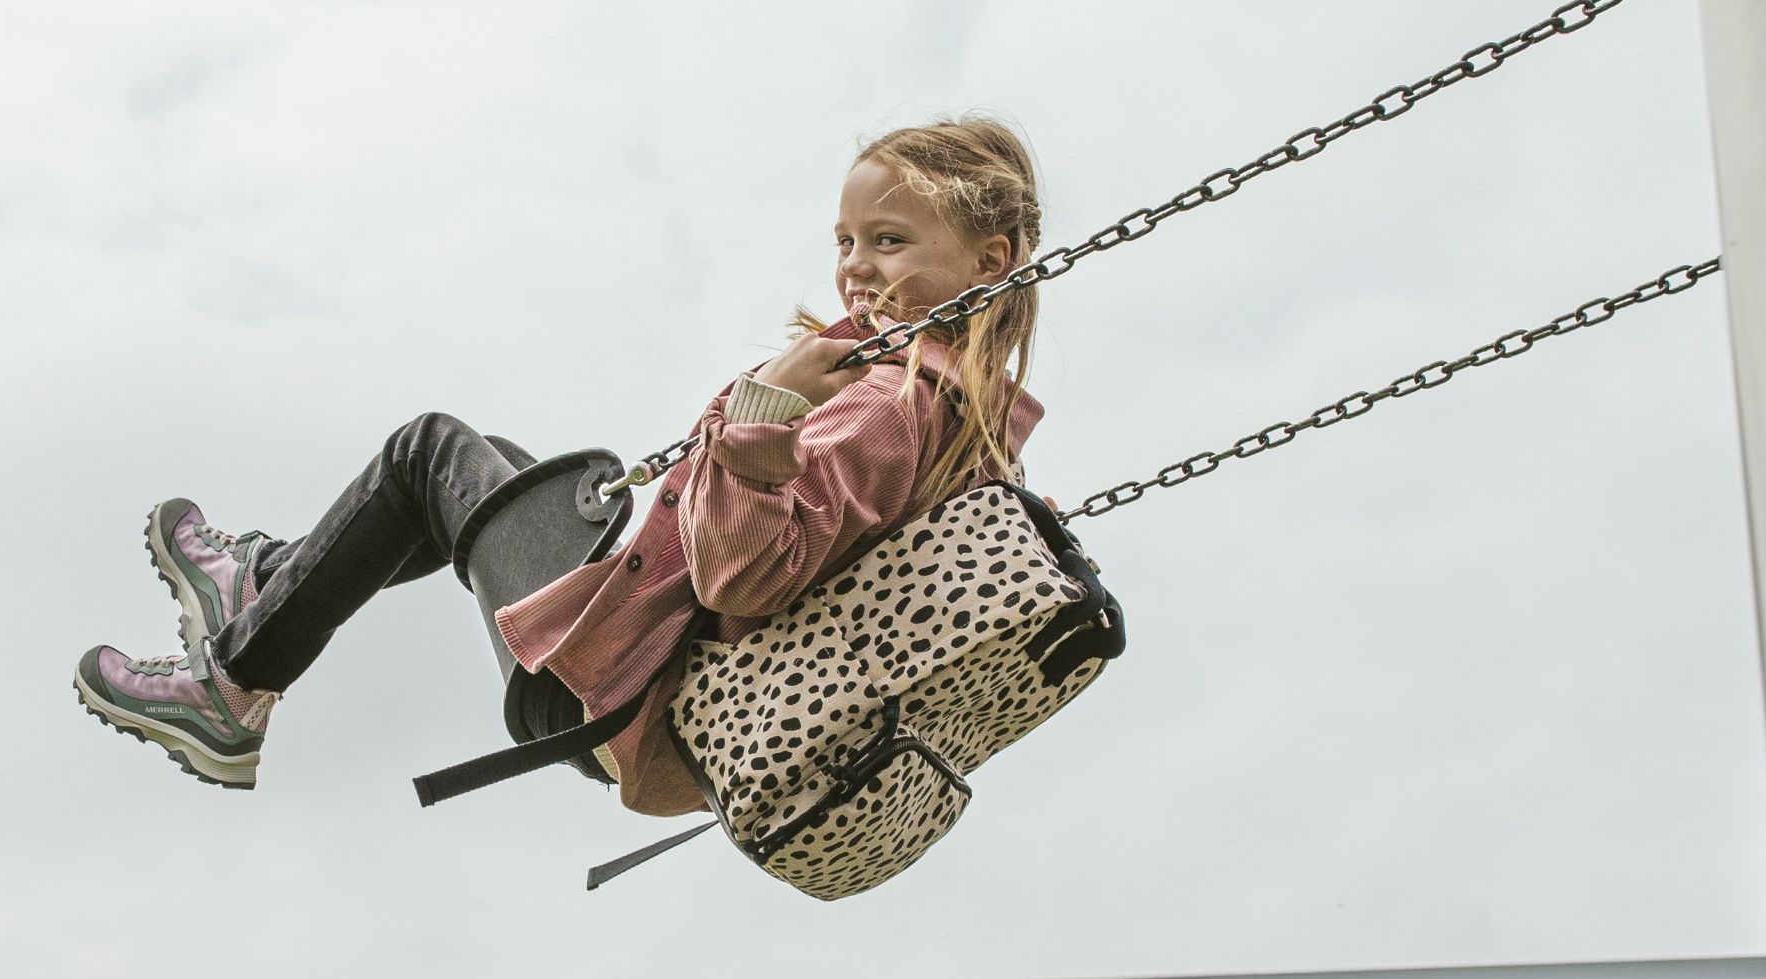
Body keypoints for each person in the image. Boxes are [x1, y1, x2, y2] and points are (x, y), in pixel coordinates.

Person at [75, 113, 1052, 816]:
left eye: (889, 240)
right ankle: (267, 582)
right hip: (658, 696)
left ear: (987, 262)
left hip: (627, 695)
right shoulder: (966, 426)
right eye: (845, 240)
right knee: (500, 472)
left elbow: (745, 573)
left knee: (429, 453)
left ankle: (233, 681)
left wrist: (767, 410)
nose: (855, 266)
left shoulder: (894, 405)